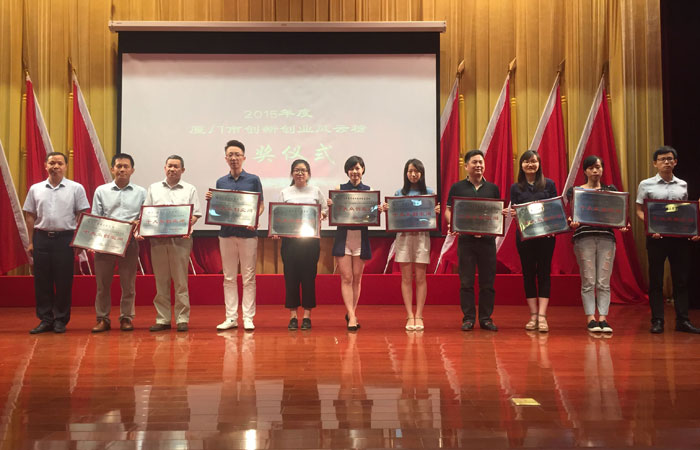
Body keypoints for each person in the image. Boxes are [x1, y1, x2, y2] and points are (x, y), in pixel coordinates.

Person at [23, 151, 90, 334]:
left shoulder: (76, 188)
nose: (56, 166)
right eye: (52, 163)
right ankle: (45, 319)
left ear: (66, 166)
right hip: (41, 238)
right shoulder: (35, 189)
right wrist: (30, 242)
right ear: (46, 165)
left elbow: (83, 215)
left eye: (60, 163)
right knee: (42, 281)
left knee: (63, 281)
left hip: (65, 239)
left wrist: (79, 240)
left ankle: (60, 319)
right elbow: (30, 216)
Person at [635, 146, 700, 334]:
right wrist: (650, 226)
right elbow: (639, 210)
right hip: (656, 238)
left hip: (680, 240)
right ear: (655, 163)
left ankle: (683, 320)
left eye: (670, 159)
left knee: (681, 280)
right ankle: (657, 321)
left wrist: (692, 229)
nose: (667, 162)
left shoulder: (683, 185)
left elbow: (686, 212)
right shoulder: (645, 184)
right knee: (656, 280)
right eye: (662, 159)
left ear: (675, 162)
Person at [205, 140, 264, 332]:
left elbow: (260, 205)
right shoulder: (221, 182)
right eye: (230, 155)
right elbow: (218, 209)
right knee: (229, 277)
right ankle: (231, 317)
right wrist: (212, 202)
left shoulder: (253, 180)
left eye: (237, 154)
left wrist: (254, 218)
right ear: (225, 158)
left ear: (244, 157)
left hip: (248, 234)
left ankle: (248, 317)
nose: (234, 158)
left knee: (249, 278)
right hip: (226, 234)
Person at [567, 156, 629, 334]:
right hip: (584, 238)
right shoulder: (575, 191)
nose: (595, 171)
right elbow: (572, 214)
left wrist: (623, 223)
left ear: (602, 169)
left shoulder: (611, 190)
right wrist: (572, 221)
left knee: (603, 281)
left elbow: (618, 214)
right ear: (585, 171)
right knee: (588, 280)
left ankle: (603, 318)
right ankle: (590, 319)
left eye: (598, 167)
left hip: (606, 239)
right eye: (591, 168)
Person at [444, 149, 501, 331]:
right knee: (466, 282)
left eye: (481, 162)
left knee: (487, 282)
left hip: (487, 242)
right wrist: (453, 224)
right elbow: (448, 210)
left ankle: (486, 318)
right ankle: (468, 318)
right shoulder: (457, 188)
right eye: (474, 162)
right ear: (466, 166)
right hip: (466, 242)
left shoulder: (492, 189)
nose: (478, 165)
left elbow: (497, 213)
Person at [143, 155, 202, 332]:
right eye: (169, 166)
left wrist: (185, 225)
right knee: (161, 280)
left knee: (180, 281)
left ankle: (182, 319)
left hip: (180, 240)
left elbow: (196, 214)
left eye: (176, 166)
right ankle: (163, 319)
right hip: (158, 241)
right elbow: (147, 213)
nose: (172, 169)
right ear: (164, 168)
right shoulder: (153, 188)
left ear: (182, 170)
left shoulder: (190, 189)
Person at [90, 153, 147, 332]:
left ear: (132, 170)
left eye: (126, 166)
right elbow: (95, 217)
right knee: (102, 284)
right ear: (112, 169)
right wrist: (93, 241)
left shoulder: (141, 192)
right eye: (119, 166)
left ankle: (126, 317)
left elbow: (145, 217)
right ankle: (102, 318)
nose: (122, 169)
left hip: (130, 242)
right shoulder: (101, 191)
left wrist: (138, 223)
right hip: (105, 242)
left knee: (128, 284)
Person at [384, 159, 440, 331]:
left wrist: (435, 212)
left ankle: (419, 315)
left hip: (422, 237)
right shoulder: (399, 193)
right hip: (404, 237)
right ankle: (409, 315)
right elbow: (395, 216)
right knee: (406, 278)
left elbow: (430, 218)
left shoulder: (429, 193)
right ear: (406, 173)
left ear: (421, 173)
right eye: (410, 171)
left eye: (416, 171)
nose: (413, 174)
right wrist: (388, 209)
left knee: (421, 278)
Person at [329, 155, 378, 331]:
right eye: (351, 169)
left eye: (357, 168)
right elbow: (334, 213)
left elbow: (371, 215)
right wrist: (330, 205)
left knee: (357, 278)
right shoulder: (339, 190)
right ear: (347, 171)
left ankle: (352, 312)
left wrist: (377, 209)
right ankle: (352, 316)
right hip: (344, 238)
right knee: (347, 278)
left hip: (360, 239)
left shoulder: (370, 191)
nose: (354, 172)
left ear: (363, 169)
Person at [510, 150, 557, 332]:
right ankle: (533, 315)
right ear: (521, 165)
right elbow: (516, 212)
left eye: (534, 161)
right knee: (528, 274)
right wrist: (513, 213)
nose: (530, 165)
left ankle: (543, 316)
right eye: (526, 162)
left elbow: (555, 209)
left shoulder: (549, 184)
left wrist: (552, 228)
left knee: (544, 273)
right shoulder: (516, 188)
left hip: (546, 237)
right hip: (525, 237)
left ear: (539, 164)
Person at [278, 159, 328, 330]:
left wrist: (321, 215)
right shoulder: (285, 192)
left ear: (308, 174)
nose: (300, 173)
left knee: (308, 278)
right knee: (290, 278)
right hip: (290, 243)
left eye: (303, 170)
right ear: (292, 173)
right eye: (296, 170)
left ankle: (307, 316)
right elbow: (279, 215)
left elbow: (324, 210)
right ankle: (293, 316)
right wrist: (276, 229)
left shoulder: (316, 191)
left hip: (310, 242)